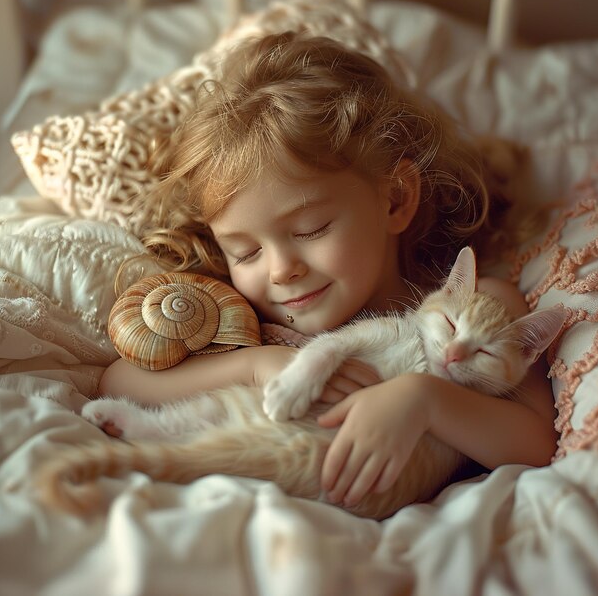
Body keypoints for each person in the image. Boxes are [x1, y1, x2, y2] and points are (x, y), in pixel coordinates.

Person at [99, 31, 557, 509]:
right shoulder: (257, 330)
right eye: (246, 253)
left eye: (311, 229)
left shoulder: (475, 307)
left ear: (395, 198)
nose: (280, 271)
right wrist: (257, 366)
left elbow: (535, 443)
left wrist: (424, 401)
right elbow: (118, 382)